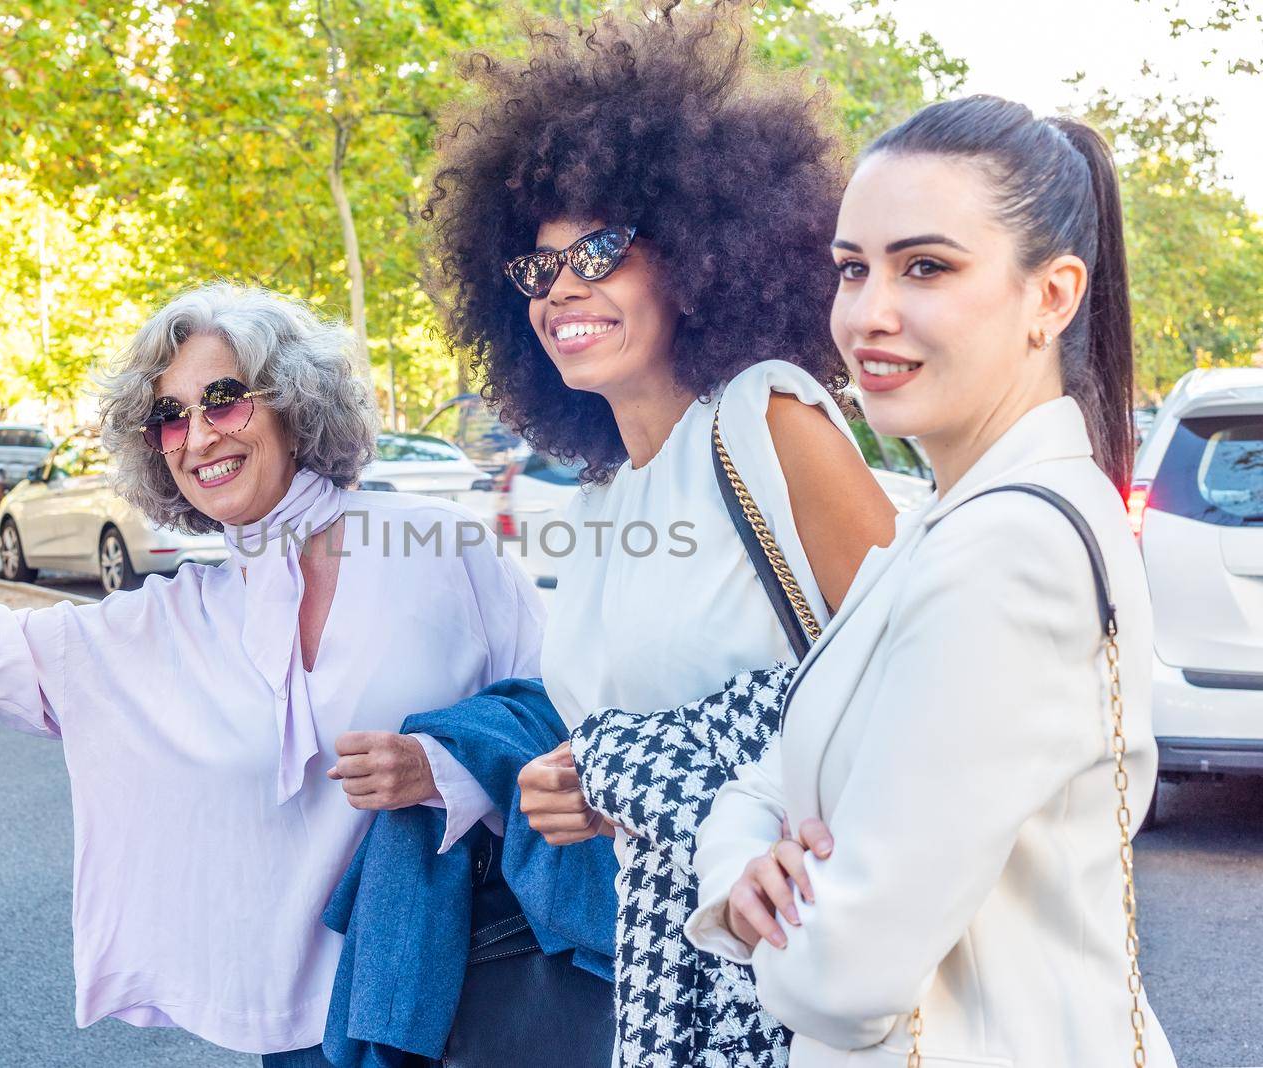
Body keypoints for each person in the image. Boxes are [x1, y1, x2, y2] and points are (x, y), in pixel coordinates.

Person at [0, 283, 543, 1067]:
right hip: (299, 1036)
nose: (196, 436)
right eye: (169, 416)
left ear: (292, 402)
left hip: (477, 992)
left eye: (223, 400)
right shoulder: (167, 621)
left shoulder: (435, 547)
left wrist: (445, 765)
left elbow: (565, 711)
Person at [423, 5, 896, 1064]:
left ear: (694, 254)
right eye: (536, 268)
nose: (563, 288)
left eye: (599, 248)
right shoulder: (597, 511)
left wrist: (630, 769)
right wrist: (571, 782)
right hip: (668, 969)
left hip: (807, 951)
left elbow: (916, 678)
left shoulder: (761, 418)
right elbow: (623, 742)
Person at [686, 96, 1178, 1066]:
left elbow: (846, 972)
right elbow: (771, 780)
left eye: (925, 267)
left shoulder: (1007, 551)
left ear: (1052, 295)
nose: (868, 314)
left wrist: (758, 922)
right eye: (850, 268)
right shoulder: (941, 525)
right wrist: (745, 858)